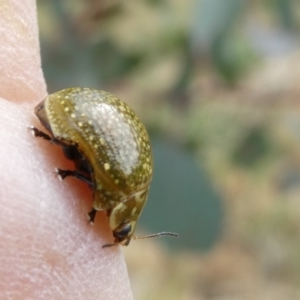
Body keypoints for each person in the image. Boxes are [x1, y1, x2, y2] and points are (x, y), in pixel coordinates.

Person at [0, 1, 133, 299]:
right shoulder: (120, 189)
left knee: (85, 166)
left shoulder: (121, 191)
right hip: (72, 116)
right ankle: (50, 140)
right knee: (81, 163)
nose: (116, 234)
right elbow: (90, 179)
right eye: (120, 232)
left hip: (75, 110)